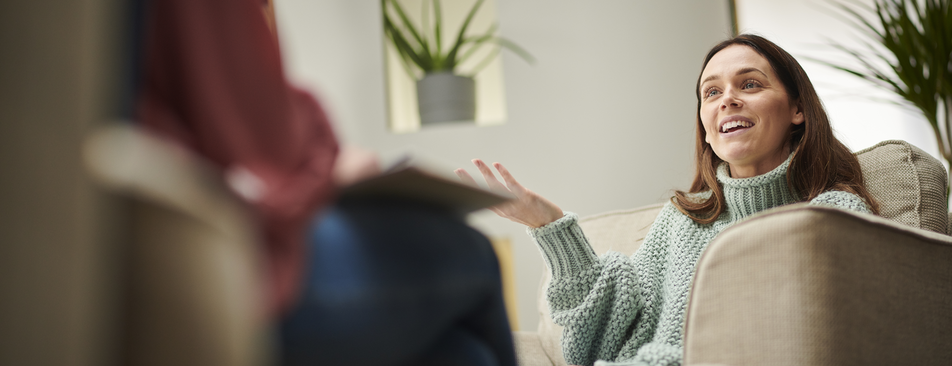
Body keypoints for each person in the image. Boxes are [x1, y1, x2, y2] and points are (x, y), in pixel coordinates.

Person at [456, 34, 880, 366]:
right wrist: (551, 227)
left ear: (797, 110)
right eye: (711, 93)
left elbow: (809, 338)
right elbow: (600, 339)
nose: (727, 99)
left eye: (749, 84)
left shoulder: (834, 215)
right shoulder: (684, 220)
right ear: (706, 126)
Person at [135, 0, 517, 365]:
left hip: (145, 252)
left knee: (464, 355)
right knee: (474, 253)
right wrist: (330, 162)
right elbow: (254, 133)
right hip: (228, 272)